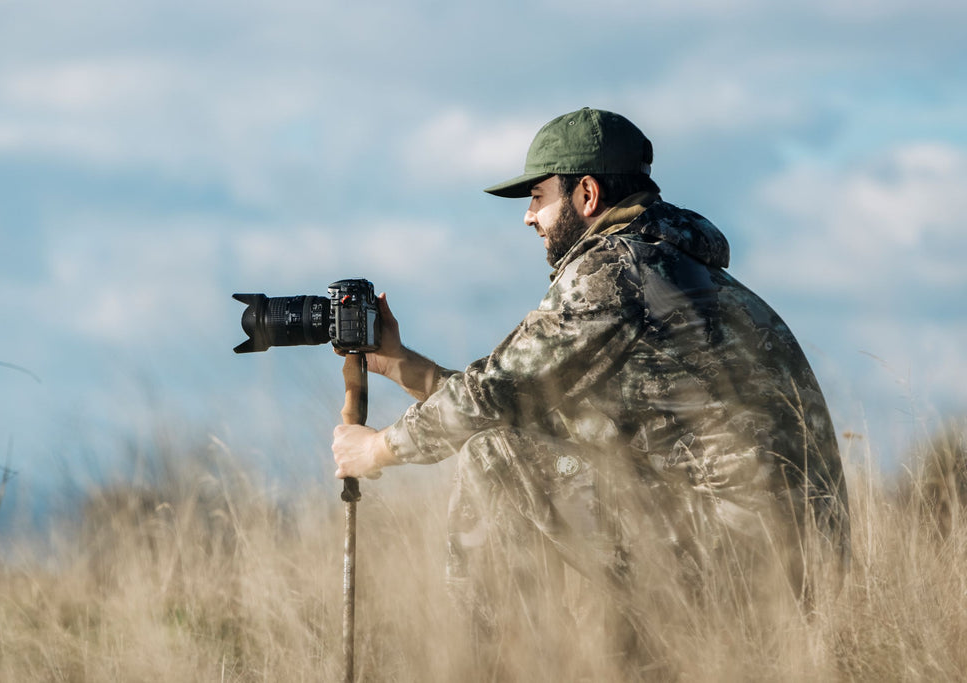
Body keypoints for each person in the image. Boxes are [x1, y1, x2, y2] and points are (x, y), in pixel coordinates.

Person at [332, 107, 850, 667]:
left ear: (586, 194)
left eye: (536, 197)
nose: (528, 218)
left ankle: (493, 669)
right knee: (523, 443)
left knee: (491, 455)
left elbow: (495, 397)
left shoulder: (615, 271)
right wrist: (399, 364)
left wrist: (379, 448)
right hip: (787, 563)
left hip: (745, 567)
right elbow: (520, 402)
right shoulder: (671, 266)